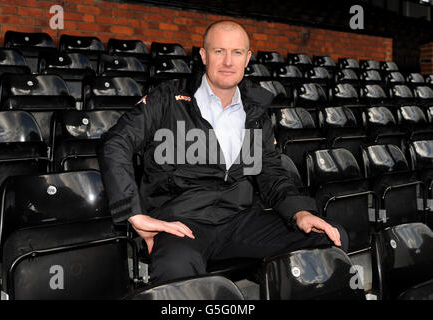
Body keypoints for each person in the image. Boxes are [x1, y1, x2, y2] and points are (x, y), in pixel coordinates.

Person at [98, 20, 348, 285]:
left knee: (331, 238)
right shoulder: (167, 99)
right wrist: (134, 213)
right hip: (182, 223)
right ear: (204, 56)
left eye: (237, 52)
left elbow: (271, 174)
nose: (228, 61)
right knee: (176, 268)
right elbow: (115, 142)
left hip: (241, 220)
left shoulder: (255, 111)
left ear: (247, 58)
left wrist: (300, 213)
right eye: (219, 51)